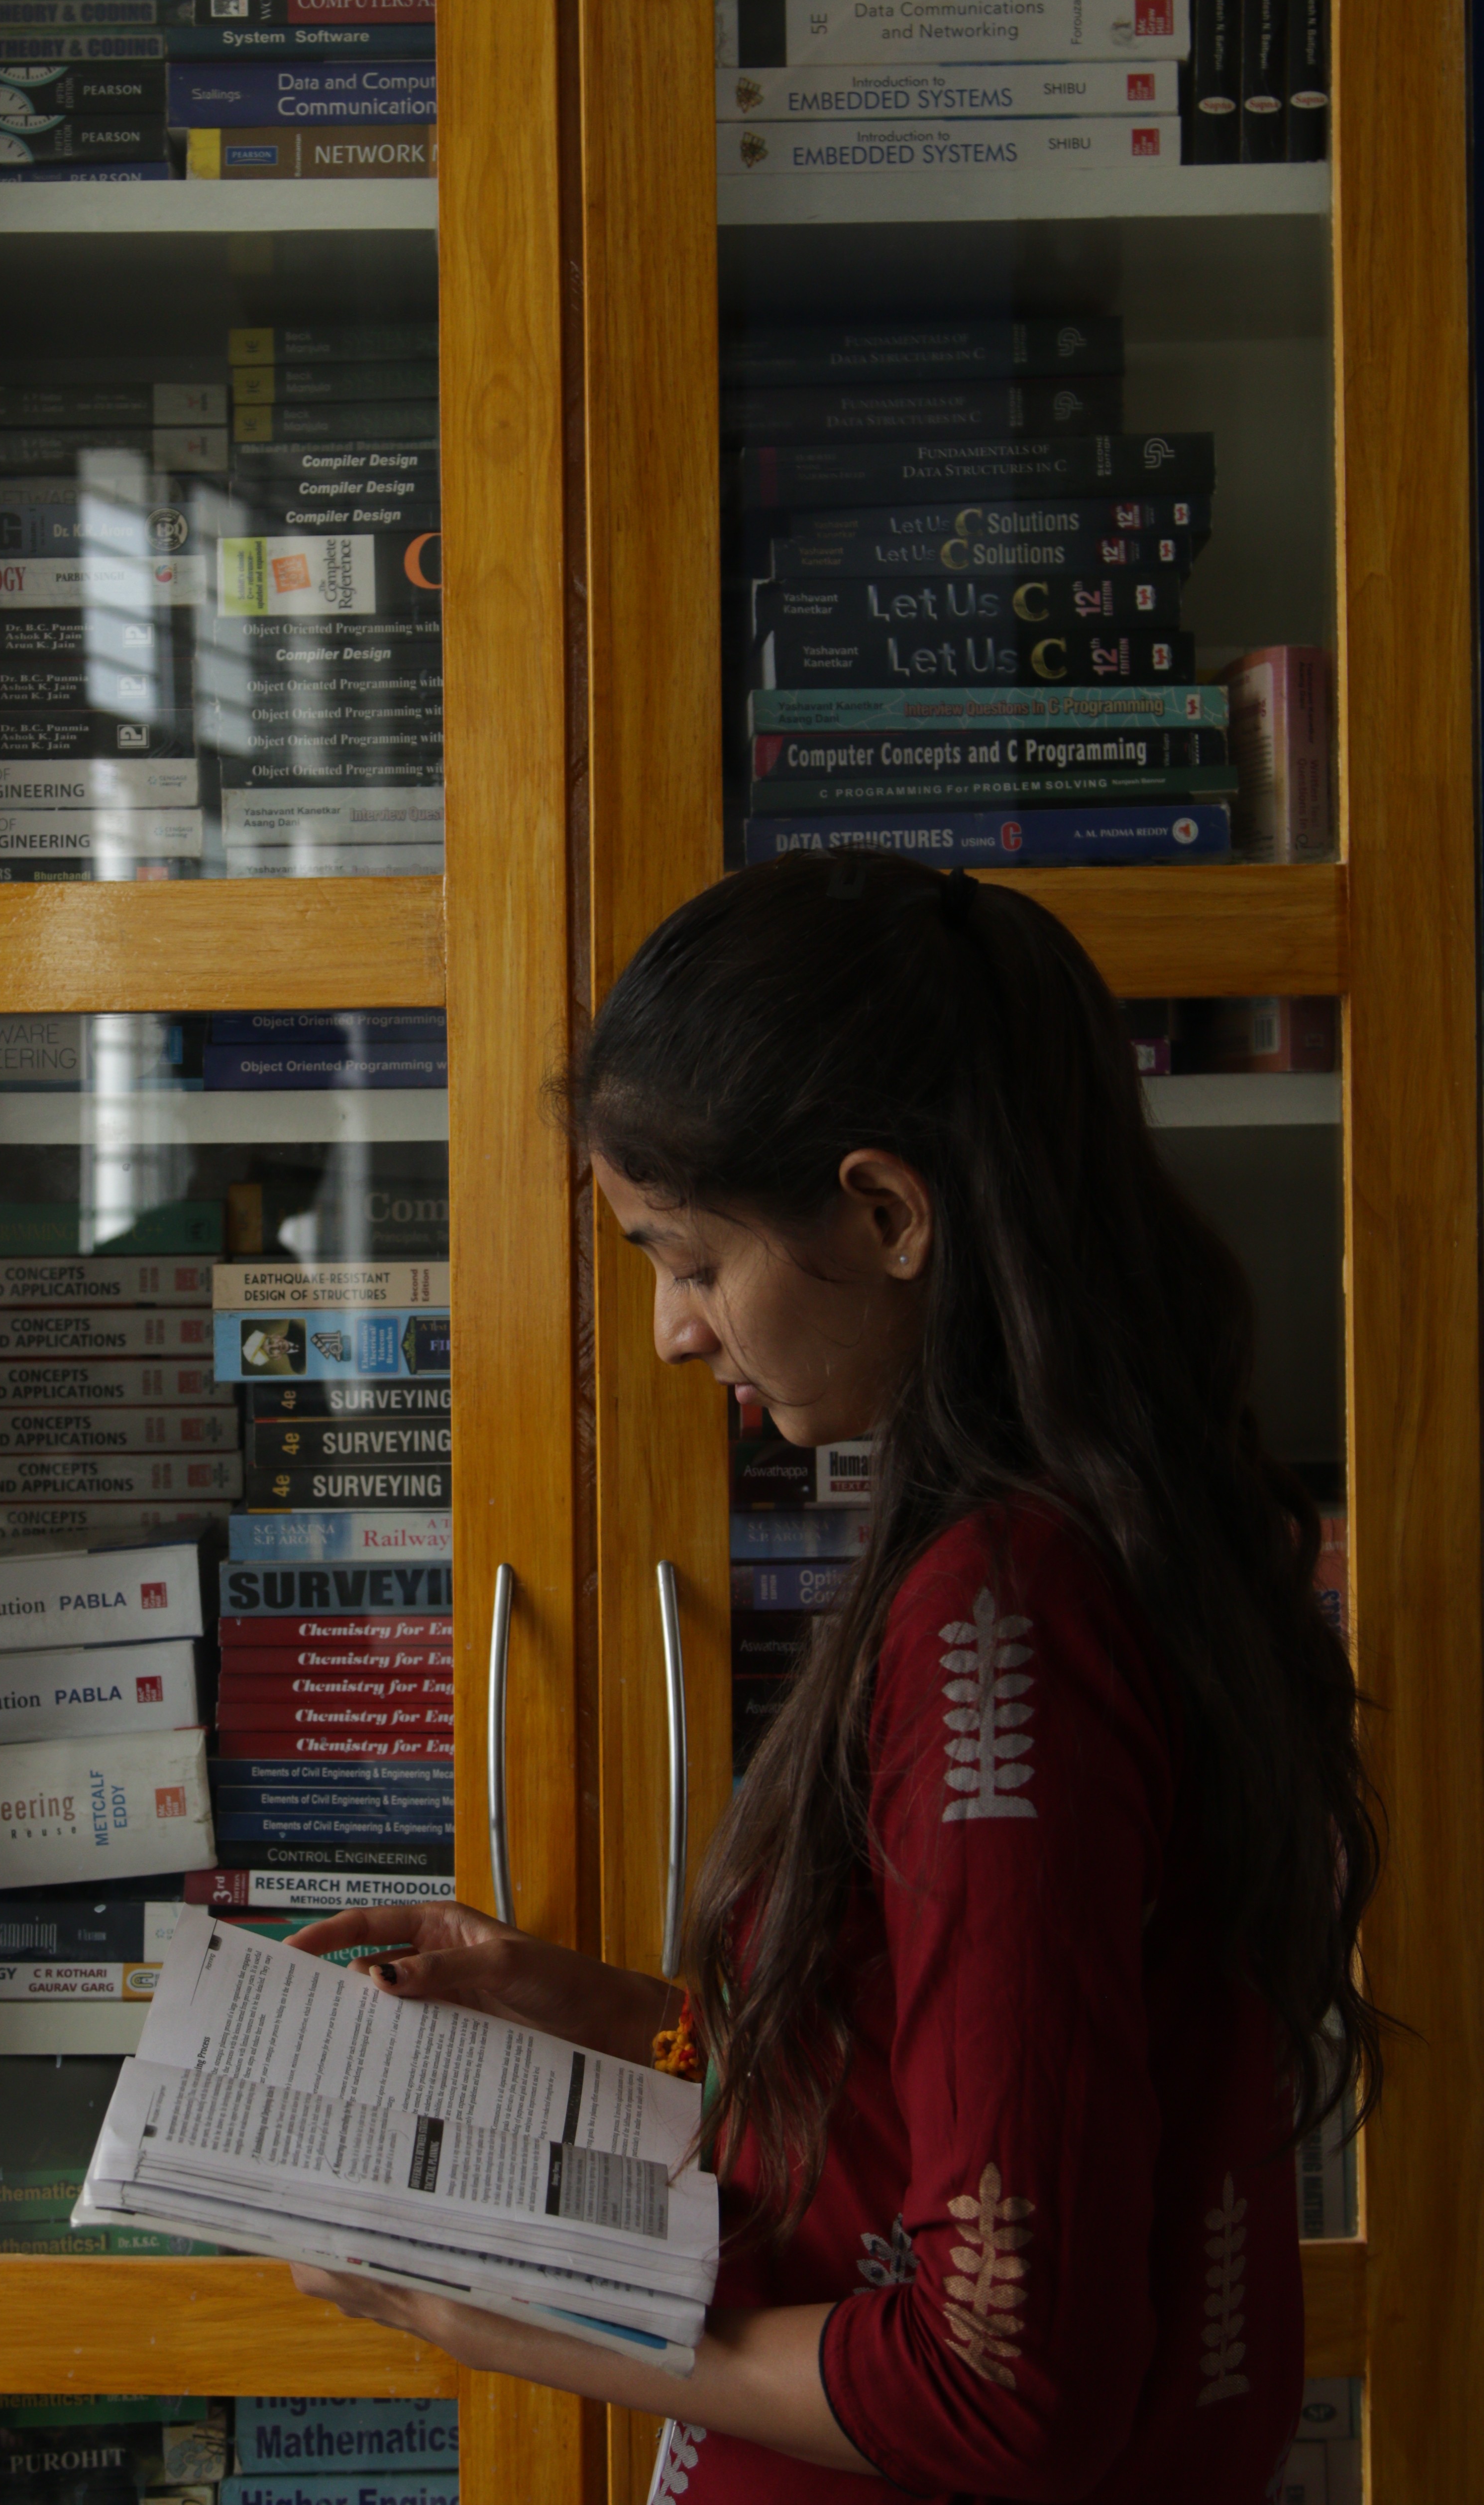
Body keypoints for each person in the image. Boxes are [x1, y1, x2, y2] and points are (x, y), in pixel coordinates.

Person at [287, 850, 1378, 2502]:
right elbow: (943, 2104)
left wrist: (511, 2309)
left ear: (883, 1212)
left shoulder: (1005, 1622)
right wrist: (595, 2013)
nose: (671, 1330)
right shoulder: (1094, 1546)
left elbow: (1002, 2383)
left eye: (690, 1258)